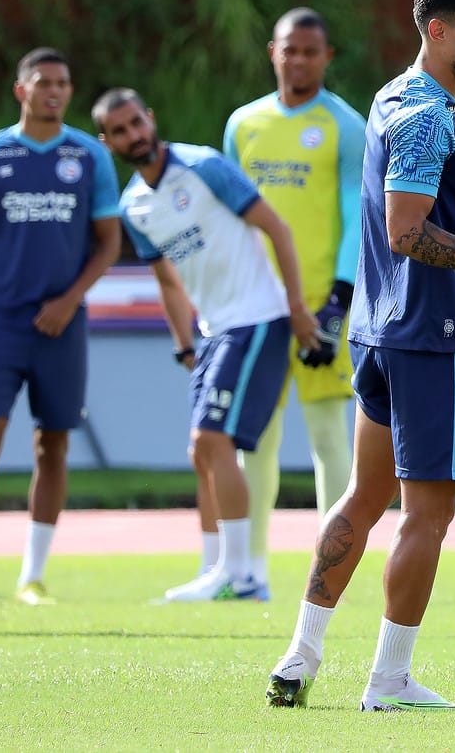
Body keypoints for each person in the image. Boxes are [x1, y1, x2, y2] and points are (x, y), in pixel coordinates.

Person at [266, 0, 455, 712]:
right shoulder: (428, 114)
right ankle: (388, 679)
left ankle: (300, 655)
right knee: (427, 514)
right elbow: (406, 231)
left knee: (366, 493)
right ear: (436, 29)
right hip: (423, 337)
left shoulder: (392, 96)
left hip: (386, 333)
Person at [93, 89, 323, 603]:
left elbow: (277, 229)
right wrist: (184, 346)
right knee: (202, 454)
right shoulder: (135, 205)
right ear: (108, 141)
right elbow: (169, 283)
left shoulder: (204, 166)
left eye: (137, 122)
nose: (134, 135)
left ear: (150, 118)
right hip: (213, 332)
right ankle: (213, 568)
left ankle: (242, 577)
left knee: (211, 443)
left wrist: (297, 308)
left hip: (258, 318)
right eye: (121, 130)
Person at [0, 49, 121, 606]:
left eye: (63, 83)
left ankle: (32, 578)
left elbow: (109, 242)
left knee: (53, 443)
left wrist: (69, 301)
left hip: (61, 325)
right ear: (21, 90)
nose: (54, 91)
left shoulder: (89, 156)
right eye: (43, 82)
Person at [225, 8, 368, 596]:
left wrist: (338, 298)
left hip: (319, 303)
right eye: (290, 50)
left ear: (327, 57)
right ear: (273, 52)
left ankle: (328, 572)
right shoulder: (244, 124)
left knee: (328, 434)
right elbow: (230, 216)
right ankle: (247, 569)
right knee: (253, 435)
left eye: (312, 51)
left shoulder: (344, 125)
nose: (300, 60)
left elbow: (359, 215)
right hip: (257, 305)